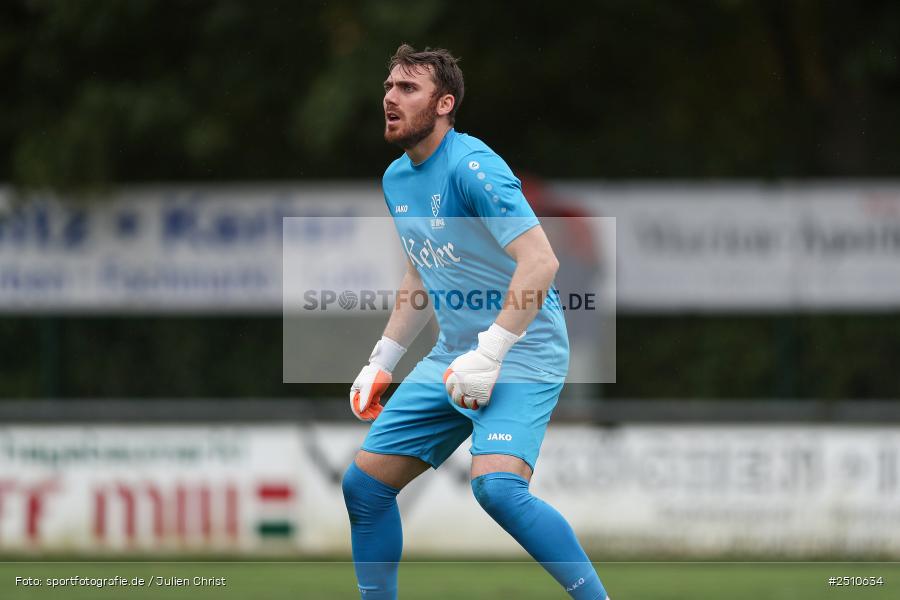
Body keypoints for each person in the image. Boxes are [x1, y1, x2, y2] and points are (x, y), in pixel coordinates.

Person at [342, 44, 609, 600]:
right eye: (389, 86)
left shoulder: (472, 166)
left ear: (443, 104)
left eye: (407, 88)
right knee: (364, 486)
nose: (390, 97)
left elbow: (541, 262)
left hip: (523, 351)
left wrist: (490, 355)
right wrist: (382, 360)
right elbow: (420, 270)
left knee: (499, 490)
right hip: (452, 356)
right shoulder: (396, 179)